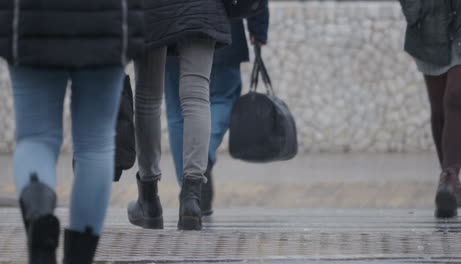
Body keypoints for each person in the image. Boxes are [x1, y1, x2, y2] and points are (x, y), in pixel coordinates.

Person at [0, 1, 143, 263]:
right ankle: (79, 258)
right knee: (96, 144)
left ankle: (39, 220)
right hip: (106, 21)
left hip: (31, 19)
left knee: (35, 138)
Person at [127, 0, 231, 230]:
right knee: (197, 95)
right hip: (203, 7)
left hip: (151, 10)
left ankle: (149, 200)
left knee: (147, 98)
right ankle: (192, 200)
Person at [164, 8, 270, 216]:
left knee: (178, 110)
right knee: (224, 96)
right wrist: (258, 25)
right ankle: (200, 164)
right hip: (218, 21)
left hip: (169, 25)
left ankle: (189, 191)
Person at [399, 0, 461, 218]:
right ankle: (449, 184)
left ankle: (449, 176)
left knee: (457, 94)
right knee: (439, 106)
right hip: (431, 16)